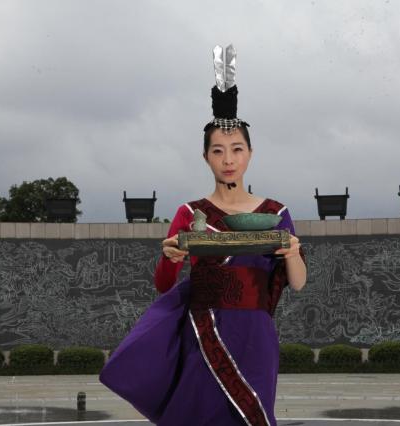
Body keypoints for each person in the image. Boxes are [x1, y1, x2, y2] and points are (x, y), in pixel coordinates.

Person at [100, 45, 307, 426]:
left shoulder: (275, 214)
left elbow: (297, 282)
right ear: (206, 157)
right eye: (218, 151)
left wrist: (293, 252)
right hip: (202, 332)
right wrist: (170, 257)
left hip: (255, 336)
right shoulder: (190, 213)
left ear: (250, 153)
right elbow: (164, 284)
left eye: (237, 149)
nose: (228, 160)